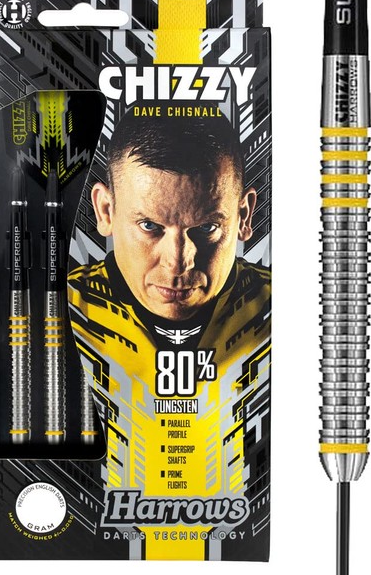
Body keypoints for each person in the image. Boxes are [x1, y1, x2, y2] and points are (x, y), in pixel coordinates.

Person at [67, 105, 271, 556]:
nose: (178, 260)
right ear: (105, 210)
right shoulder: (56, 314)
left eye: (206, 228)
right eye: (150, 227)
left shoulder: (282, 313)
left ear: (244, 215)